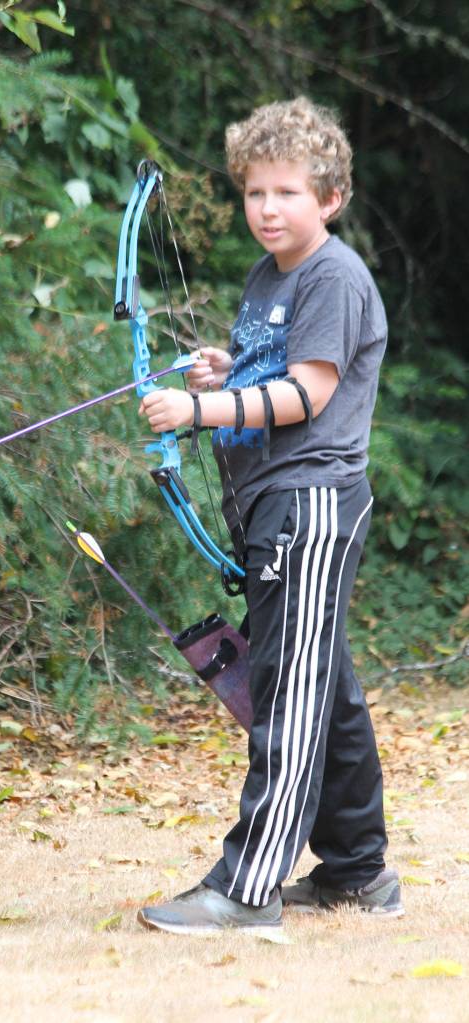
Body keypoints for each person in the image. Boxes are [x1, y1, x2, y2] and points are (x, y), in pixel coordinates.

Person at [136, 96, 403, 935]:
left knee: (288, 689)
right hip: (271, 505)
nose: (266, 209)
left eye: (286, 192)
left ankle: (247, 888)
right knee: (326, 686)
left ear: (328, 197)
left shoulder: (333, 276)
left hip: (310, 500)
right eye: (254, 193)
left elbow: (305, 393)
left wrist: (193, 412)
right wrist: (223, 369)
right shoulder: (269, 277)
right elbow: (268, 369)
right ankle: (358, 871)